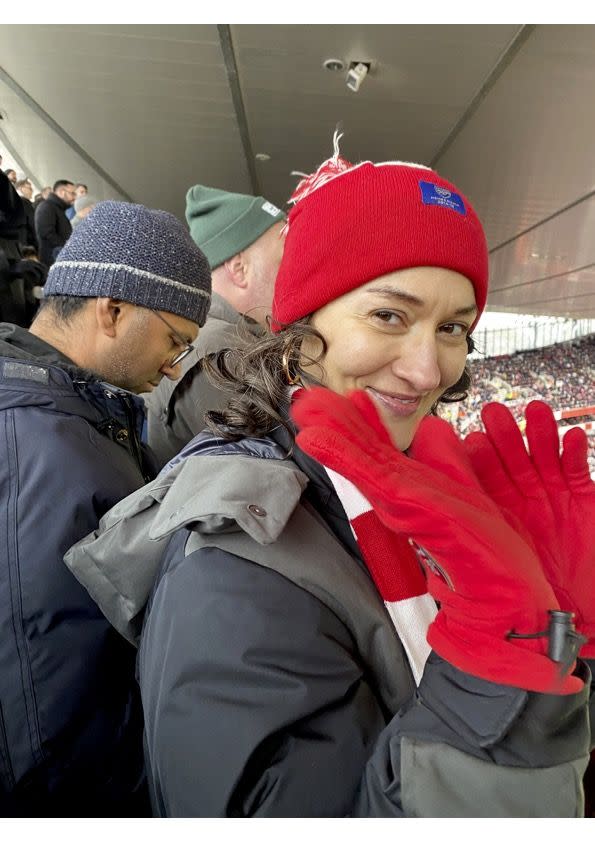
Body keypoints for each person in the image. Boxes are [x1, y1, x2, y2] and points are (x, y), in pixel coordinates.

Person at [64, 143, 593, 817]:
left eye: (452, 327)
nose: (428, 370)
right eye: (388, 315)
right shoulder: (239, 559)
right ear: (300, 325)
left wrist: (564, 640)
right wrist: (503, 659)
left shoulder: (412, 495)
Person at [0, 199, 211, 816]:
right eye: (174, 341)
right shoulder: (40, 446)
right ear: (113, 309)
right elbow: (45, 716)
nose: (173, 369)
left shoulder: (74, 416)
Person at [143, 184, 285, 468]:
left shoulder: (218, 336)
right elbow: (275, 466)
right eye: (284, 260)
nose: (296, 272)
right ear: (239, 269)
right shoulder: (222, 354)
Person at [34, 179, 75, 266]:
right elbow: (47, 233)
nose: (74, 197)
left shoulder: (57, 208)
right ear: (62, 192)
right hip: (53, 261)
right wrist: (67, 247)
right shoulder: (46, 207)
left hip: (59, 258)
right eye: (72, 193)